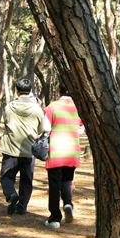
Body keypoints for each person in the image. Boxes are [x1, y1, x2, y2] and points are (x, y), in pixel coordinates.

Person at [0, 77, 44, 215]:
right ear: (30, 91)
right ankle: (22, 207)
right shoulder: (37, 110)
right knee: (26, 180)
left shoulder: (9, 108)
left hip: (10, 149)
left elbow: (5, 122)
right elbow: (40, 129)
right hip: (29, 151)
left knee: (6, 176)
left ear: (17, 91)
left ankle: (11, 194)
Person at [42, 82, 84, 228]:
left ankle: (54, 218)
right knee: (67, 181)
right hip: (72, 151)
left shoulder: (52, 107)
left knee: (54, 185)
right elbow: (81, 130)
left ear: (59, 91)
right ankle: (68, 203)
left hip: (56, 151)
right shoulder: (78, 107)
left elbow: (46, 128)